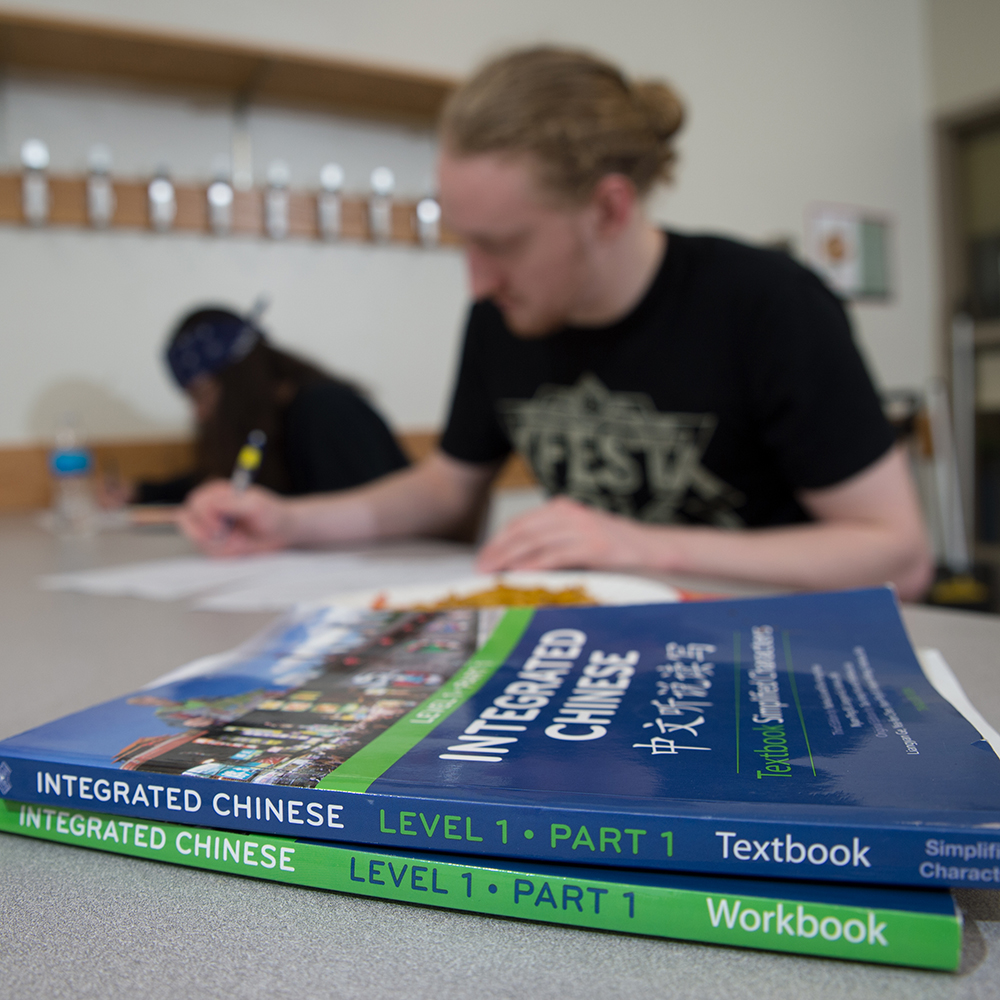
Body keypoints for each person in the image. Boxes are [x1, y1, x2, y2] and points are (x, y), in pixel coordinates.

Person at [180, 47, 932, 600]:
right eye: (464, 242)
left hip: (775, 660)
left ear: (608, 208)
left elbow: (897, 555)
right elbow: (447, 489)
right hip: (608, 649)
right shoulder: (502, 315)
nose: (476, 279)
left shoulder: (768, 304)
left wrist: (641, 545)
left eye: (501, 245)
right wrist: (290, 521)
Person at [114, 306, 409, 504]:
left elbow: (361, 514)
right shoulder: (267, 429)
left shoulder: (325, 410)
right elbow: (224, 481)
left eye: (201, 395)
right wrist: (140, 492)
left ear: (238, 378)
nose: (199, 414)